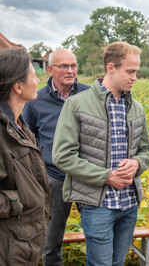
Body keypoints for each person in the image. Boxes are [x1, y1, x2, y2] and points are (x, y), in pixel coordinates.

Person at [52, 41, 149, 266]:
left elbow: (146, 151)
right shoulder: (77, 104)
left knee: (117, 263)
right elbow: (62, 156)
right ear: (111, 68)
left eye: (137, 71)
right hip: (98, 205)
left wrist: (137, 164)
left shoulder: (136, 107)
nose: (135, 76)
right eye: (130, 71)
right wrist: (106, 176)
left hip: (129, 203)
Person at [22, 48, 90, 266]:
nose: (70, 71)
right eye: (64, 66)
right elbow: (28, 140)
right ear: (50, 70)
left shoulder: (89, 96)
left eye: (74, 66)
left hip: (88, 177)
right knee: (51, 243)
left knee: (98, 235)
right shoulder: (35, 101)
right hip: (54, 179)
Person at [0, 48, 50, 265]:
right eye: (33, 75)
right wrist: (17, 203)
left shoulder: (20, 126)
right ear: (18, 86)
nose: (38, 79)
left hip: (24, 242)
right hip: (7, 245)